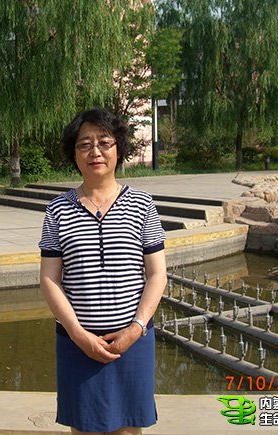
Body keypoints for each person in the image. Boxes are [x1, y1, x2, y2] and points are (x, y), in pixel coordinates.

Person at [38, 107, 167, 435]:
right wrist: (78, 334)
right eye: (84, 144)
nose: (95, 151)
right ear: (74, 154)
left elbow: (157, 274)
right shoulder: (58, 209)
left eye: (104, 142)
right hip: (76, 343)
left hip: (133, 343)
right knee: (84, 429)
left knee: (128, 429)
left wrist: (135, 329)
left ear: (118, 149)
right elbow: (50, 279)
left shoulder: (142, 205)